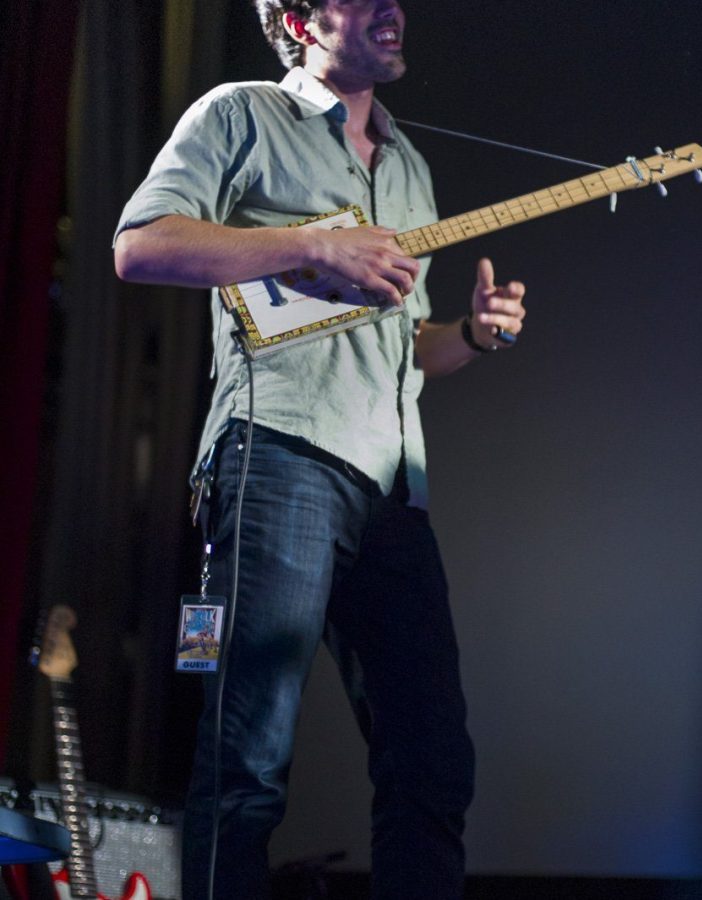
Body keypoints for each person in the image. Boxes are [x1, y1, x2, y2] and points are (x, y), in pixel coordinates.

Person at [114, 1, 526, 897]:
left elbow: (409, 349)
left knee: (432, 762)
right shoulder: (241, 113)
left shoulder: (409, 165)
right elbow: (140, 244)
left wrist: (476, 336)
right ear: (300, 18)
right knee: (248, 756)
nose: (394, 11)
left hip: (392, 486)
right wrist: (312, 243)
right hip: (278, 455)